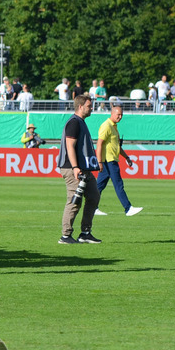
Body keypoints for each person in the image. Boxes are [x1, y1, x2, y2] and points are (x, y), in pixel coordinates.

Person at [57, 95, 101, 244]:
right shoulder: (74, 123)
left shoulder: (81, 122)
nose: (91, 108)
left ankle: (85, 233)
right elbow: (70, 146)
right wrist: (75, 167)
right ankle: (65, 235)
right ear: (81, 106)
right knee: (74, 201)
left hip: (84, 169)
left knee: (94, 196)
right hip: (72, 168)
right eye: (89, 106)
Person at [95, 103, 143, 217]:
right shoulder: (106, 126)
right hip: (109, 160)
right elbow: (99, 143)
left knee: (99, 186)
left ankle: (92, 207)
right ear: (112, 113)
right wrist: (99, 161)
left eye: (121, 115)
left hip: (110, 160)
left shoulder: (114, 127)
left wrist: (126, 157)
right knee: (118, 184)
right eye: (118, 114)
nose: (120, 117)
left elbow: (117, 146)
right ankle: (128, 208)